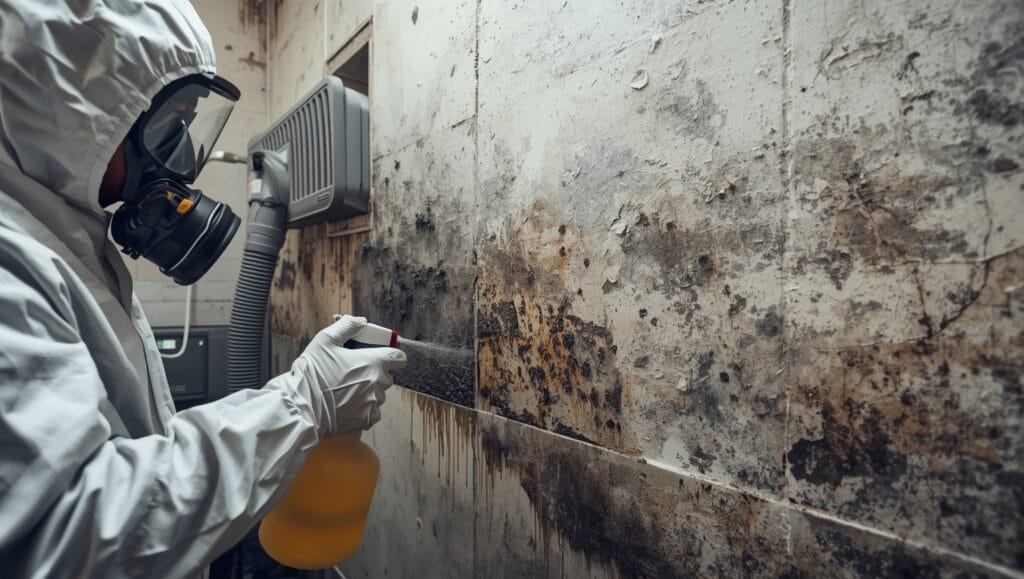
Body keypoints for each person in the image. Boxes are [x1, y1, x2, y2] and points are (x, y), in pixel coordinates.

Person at [0, 1, 406, 577]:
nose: (182, 157)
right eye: (170, 125)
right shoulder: (13, 257)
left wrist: (297, 399)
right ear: (77, 108)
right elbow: (69, 535)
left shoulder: (57, 232)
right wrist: (302, 403)